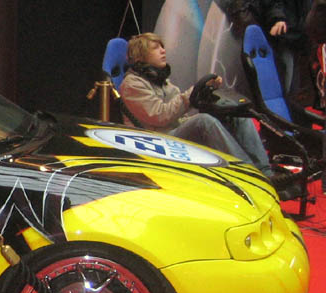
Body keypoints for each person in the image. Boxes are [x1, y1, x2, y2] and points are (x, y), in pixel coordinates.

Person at [120, 32, 293, 194]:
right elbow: (160, 116)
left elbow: (179, 111)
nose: (163, 51)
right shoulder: (132, 85)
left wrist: (206, 91)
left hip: (173, 132)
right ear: (141, 56)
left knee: (236, 114)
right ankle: (248, 175)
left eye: (162, 47)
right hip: (156, 142)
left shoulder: (159, 79)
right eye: (156, 48)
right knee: (203, 121)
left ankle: (265, 173)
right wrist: (191, 94)